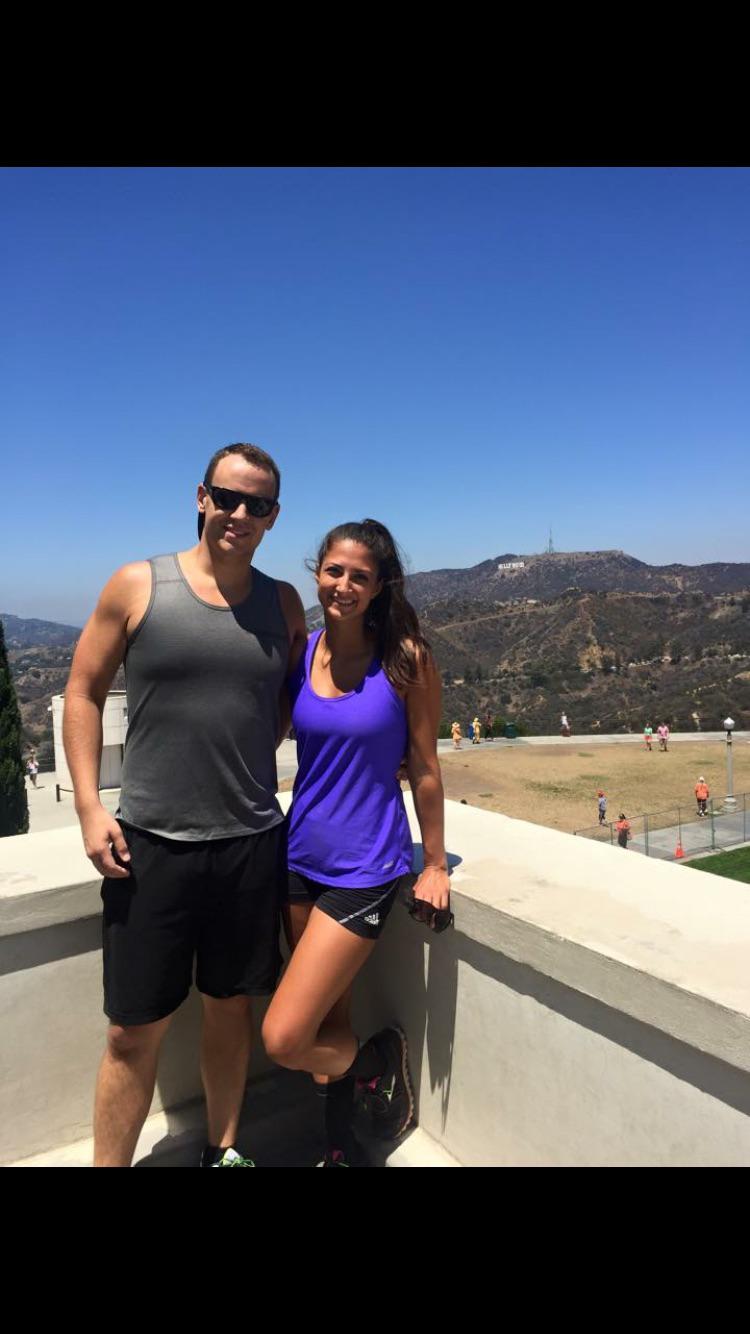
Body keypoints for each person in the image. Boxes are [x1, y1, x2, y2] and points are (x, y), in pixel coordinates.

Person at [63, 442, 306, 1168]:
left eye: (257, 504)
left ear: (273, 517)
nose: (239, 514)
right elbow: (82, 691)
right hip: (148, 845)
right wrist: (88, 807)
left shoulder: (283, 604)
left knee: (231, 1010)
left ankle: (222, 1153)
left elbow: (289, 700)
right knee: (130, 1030)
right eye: (226, 498)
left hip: (249, 843)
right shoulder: (138, 585)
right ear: (202, 498)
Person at [261, 519, 451, 1168]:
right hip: (298, 857)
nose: (343, 585)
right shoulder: (305, 652)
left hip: (365, 868)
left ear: (379, 587)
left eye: (359, 577)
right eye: (334, 571)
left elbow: (424, 766)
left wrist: (434, 864)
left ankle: (376, 1061)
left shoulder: (407, 660)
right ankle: (340, 1149)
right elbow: (267, 731)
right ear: (317, 573)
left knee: (285, 1037)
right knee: (325, 1024)